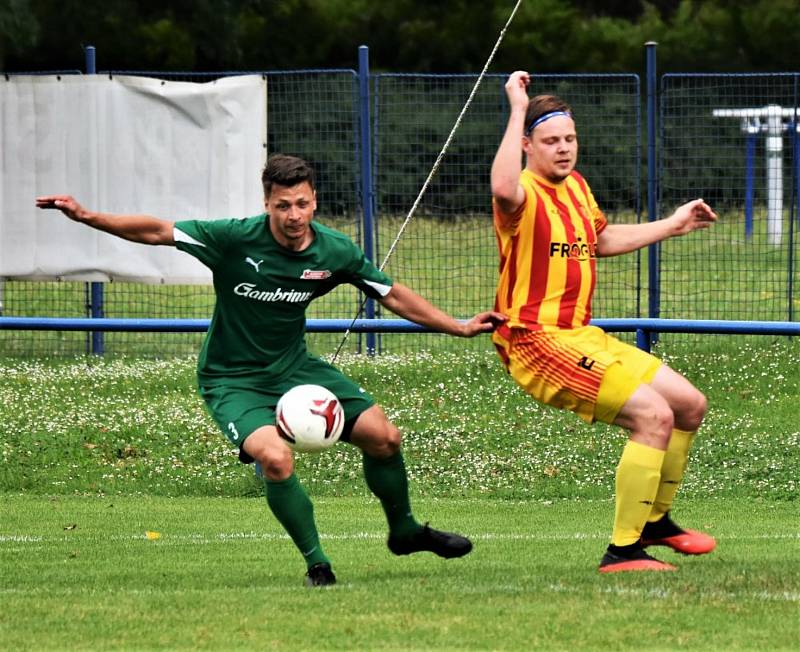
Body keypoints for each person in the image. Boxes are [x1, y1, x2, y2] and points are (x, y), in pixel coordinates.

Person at [37, 153, 506, 586]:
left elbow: (391, 295)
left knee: (384, 436)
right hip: (231, 378)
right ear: (267, 204)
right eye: (283, 205)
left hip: (294, 368)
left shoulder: (333, 252)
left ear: (314, 201)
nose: (294, 215)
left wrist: (459, 327)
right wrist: (87, 216)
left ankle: (404, 532)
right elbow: (158, 231)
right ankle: (318, 564)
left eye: (303, 203)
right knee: (277, 459)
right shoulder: (234, 238)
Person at [490, 71, 718, 573]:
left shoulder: (575, 188)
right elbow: (503, 185)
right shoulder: (521, 194)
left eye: (570, 138)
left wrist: (674, 224)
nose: (564, 149)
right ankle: (623, 552)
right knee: (652, 416)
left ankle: (655, 522)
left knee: (688, 405)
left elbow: (602, 240)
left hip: (581, 335)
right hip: (536, 340)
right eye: (551, 141)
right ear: (528, 145)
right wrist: (514, 107)